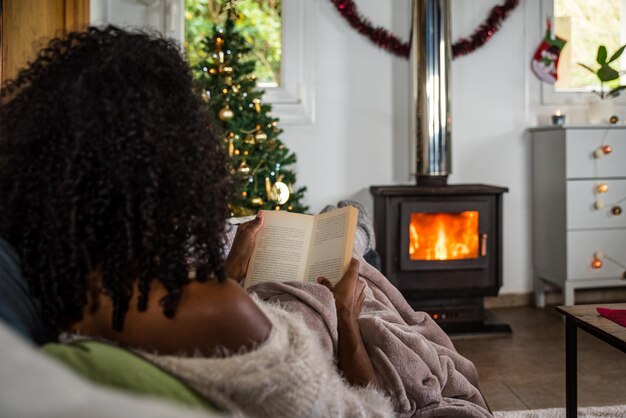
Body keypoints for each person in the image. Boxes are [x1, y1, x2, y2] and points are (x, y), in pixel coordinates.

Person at [0, 26, 393, 417]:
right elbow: (362, 412)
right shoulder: (221, 309)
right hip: (321, 337)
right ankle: (355, 230)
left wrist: (231, 272)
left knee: (342, 235)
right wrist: (346, 317)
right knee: (357, 248)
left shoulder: (65, 294)